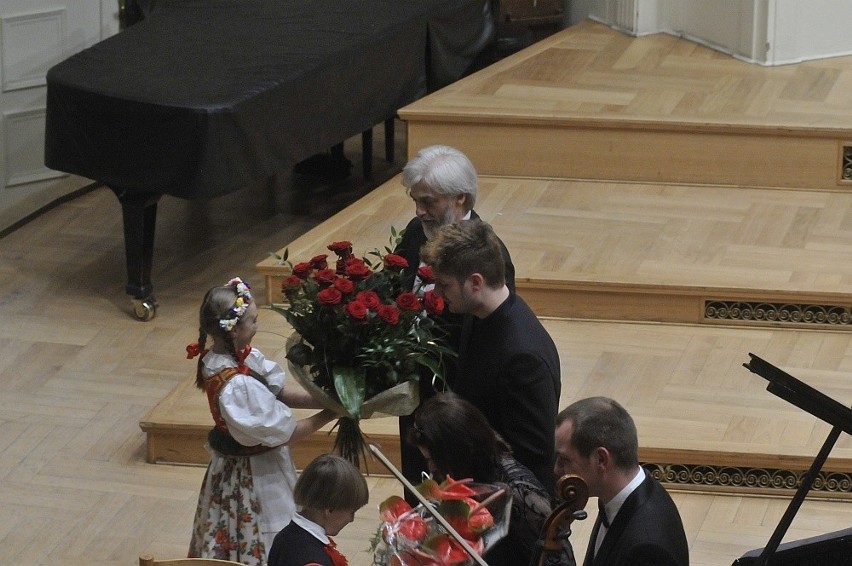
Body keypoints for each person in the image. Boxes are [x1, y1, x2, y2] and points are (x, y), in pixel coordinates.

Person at [187, 277, 338, 565]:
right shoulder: (235, 386)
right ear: (234, 329)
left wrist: (329, 399)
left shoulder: (232, 357)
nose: (257, 325)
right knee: (269, 535)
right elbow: (286, 433)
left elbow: (278, 392)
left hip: (237, 467)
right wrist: (331, 413)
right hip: (252, 477)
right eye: (253, 321)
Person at [395, 144, 516, 499]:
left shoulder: (490, 257)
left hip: (457, 413)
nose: (419, 211)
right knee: (418, 496)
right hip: (415, 401)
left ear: (460, 200)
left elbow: (489, 343)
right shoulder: (417, 232)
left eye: (428, 202)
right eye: (415, 200)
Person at [420, 219, 561, 492]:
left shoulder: (523, 358)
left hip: (507, 508)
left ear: (475, 282)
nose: (436, 293)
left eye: (444, 284)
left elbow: (531, 459)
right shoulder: (478, 315)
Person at [408, 392, 575, 566]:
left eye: (432, 460)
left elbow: (560, 559)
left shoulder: (519, 494)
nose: (432, 469)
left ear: (456, 454)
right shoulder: (470, 475)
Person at [553, 397, 689, 566]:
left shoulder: (646, 550)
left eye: (564, 460)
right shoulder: (619, 496)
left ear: (601, 459)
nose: (557, 469)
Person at [267, 453, 369, 566]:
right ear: (330, 509)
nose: (351, 519)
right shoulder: (313, 559)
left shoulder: (285, 536)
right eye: (352, 512)